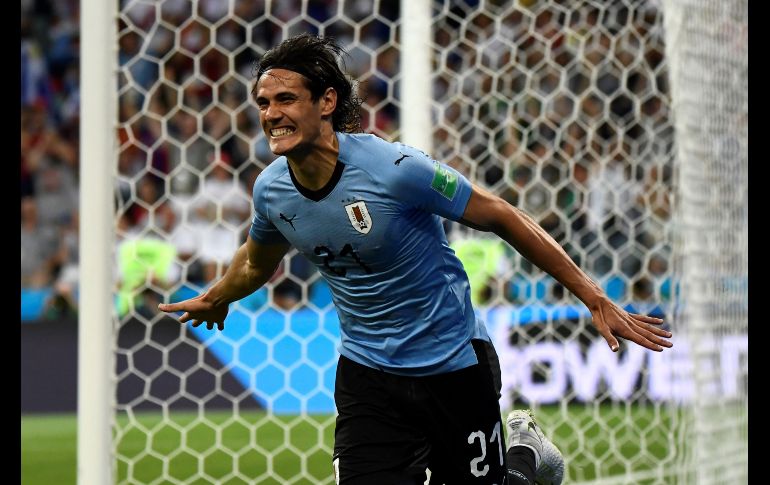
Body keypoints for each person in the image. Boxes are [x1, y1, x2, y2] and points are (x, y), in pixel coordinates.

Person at [159, 34, 673, 485]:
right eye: (264, 102)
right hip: (367, 373)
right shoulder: (272, 191)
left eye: (286, 99)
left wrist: (594, 296)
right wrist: (216, 297)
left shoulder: (394, 169)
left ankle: (522, 455)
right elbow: (255, 261)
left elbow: (501, 215)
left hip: (452, 361)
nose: (271, 113)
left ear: (327, 101)